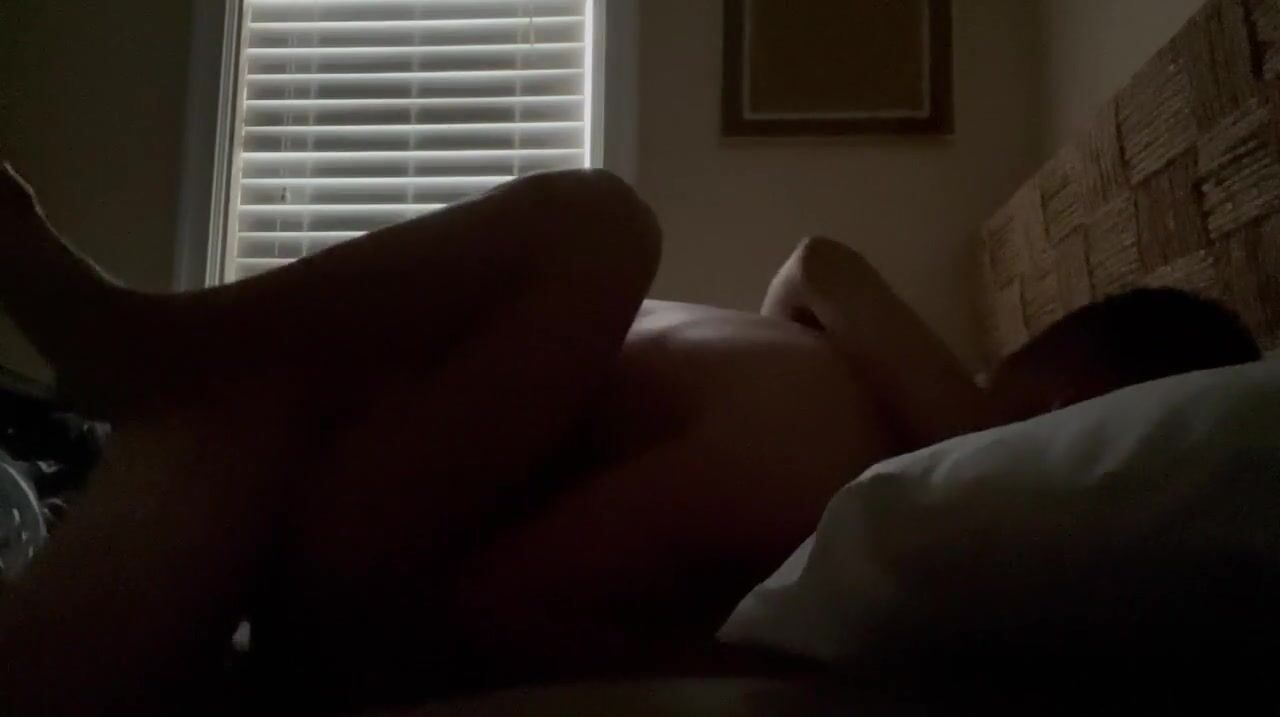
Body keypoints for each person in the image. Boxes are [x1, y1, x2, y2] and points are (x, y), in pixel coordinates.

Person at [0, 164, 1261, 716]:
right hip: (353, 435)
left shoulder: (835, 499)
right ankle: (165, 359)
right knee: (258, 389)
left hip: (355, 542)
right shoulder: (881, 404)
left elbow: (488, 604)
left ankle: (148, 351)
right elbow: (811, 265)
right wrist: (954, 409)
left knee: (602, 224)